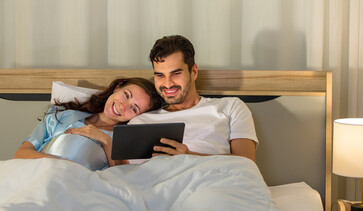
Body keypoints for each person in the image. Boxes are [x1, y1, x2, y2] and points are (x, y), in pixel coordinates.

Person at [128, 35, 258, 162]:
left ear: (194, 72)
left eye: (176, 73)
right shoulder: (139, 122)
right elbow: (126, 173)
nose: (167, 84)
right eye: (160, 75)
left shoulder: (231, 107)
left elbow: (246, 162)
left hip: (215, 181)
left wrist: (190, 156)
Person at [14, 77, 163, 170]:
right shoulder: (62, 114)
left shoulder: (121, 141)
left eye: (134, 108)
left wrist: (105, 140)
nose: (122, 106)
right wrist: (61, 165)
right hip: (38, 177)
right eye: (126, 95)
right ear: (117, 87)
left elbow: (122, 179)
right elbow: (21, 154)